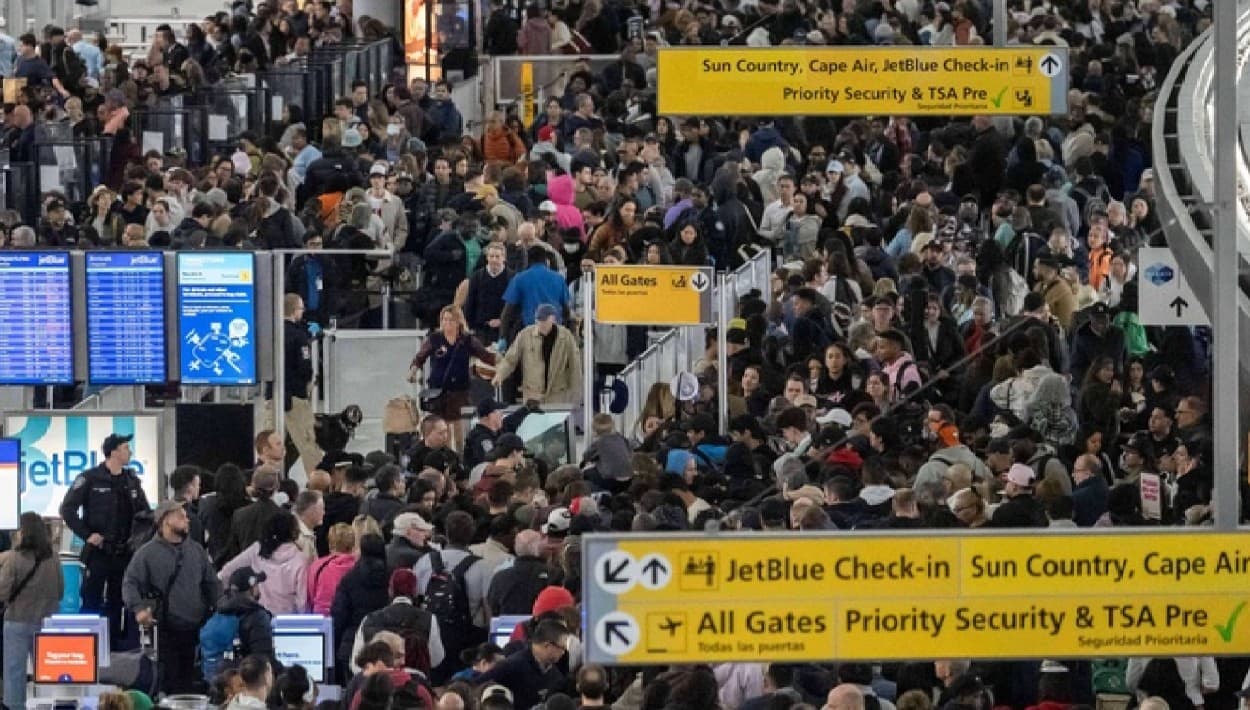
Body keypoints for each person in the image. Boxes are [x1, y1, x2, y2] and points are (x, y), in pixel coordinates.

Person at [59, 433, 151, 650]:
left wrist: (139, 541)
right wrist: (87, 534)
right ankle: (87, 647)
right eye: (126, 448)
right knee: (91, 599)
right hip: (99, 552)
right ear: (114, 452)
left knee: (120, 601)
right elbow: (68, 509)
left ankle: (118, 647)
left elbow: (146, 514)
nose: (129, 452)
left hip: (126, 553)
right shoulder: (90, 478)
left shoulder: (132, 480)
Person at [122, 500, 220, 694]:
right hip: (165, 630)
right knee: (171, 682)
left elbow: (211, 583)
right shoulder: (147, 554)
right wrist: (139, 608)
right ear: (165, 521)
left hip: (195, 629)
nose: (187, 520)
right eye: (180, 516)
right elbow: (130, 583)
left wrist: (218, 608)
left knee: (191, 682)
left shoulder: (196, 550)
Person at [408, 305, 496, 446]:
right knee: (444, 431)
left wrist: (502, 360)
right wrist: (412, 371)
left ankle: (461, 458)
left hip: (459, 391)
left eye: (451, 320)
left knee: (459, 430)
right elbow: (420, 357)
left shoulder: (467, 340)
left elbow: (485, 355)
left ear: (458, 322)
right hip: (439, 392)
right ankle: (446, 457)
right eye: (444, 319)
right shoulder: (435, 339)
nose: (447, 323)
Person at [0, 512, 63, 710]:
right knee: (46, 672)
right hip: (47, 623)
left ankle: (15, 706)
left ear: (23, 532)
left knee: (14, 672)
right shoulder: (53, 558)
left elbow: (2, 592)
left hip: (17, 621)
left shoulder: (14, 558)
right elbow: (60, 591)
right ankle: (45, 705)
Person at [351, 569, 444, 677]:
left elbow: (356, 664)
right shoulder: (429, 619)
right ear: (414, 591)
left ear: (390, 590)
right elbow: (436, 659)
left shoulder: (369, 619)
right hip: (413, 685)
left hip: (376, 683)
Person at [269, 294, 323, 471]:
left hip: (272, 397)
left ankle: (266, 480)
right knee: (308, 445)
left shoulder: (271, 333)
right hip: (296, 398)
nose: (303, 312)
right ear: (294, 311)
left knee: (270, 444)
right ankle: (319, 484)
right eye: (301, 309)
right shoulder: (299, 337)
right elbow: (305, 368)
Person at [219, 511, 309, 615]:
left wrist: (229, 595)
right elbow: (302, 601)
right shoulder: (300, 559)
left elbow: (226, 571)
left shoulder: (257, 550)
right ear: (294, 532)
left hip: (259, 617)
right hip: (287, 621)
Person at [492, 303, 583, 405]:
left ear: (552, 319)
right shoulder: (525, 335)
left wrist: (576, 395)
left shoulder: (566, 337)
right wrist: (500, 374)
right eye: (538, 320)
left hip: (557, 396)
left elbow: (575, 366)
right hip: (532, 396)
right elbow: (510, 359)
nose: (541, 324)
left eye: (544, 320)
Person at [475, 619, 570, 709]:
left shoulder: (555, 674)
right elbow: (476, 686)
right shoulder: (511, 666)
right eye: (562, 647)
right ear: (548, 646)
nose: (563, 652)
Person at [224, 467, 283, 562]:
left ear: (253, 484)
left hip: (247, 569)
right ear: (277, 486)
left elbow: (233, 549)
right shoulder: (285, 516)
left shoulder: (239, 514)